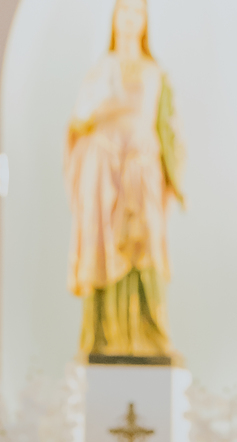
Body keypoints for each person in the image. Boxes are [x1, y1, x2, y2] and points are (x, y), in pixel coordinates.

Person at [65, 0, 184, 358]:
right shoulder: (101, 70)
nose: (131, 20)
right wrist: (105, 115)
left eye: (138, 13)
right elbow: (78, 121)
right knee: (105, 245)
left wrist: (174, 177)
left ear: (146, 22)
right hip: (104, 170)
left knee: (145, 243)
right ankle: (105, 337)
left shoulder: (155, 73)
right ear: (114, 18)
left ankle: (148, 334)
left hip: (142, 168)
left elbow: (167, 128)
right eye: (124, 11)